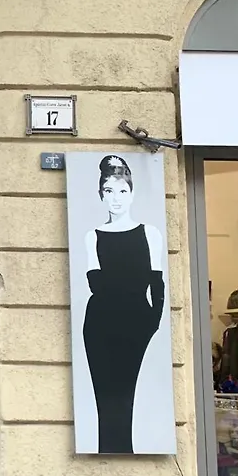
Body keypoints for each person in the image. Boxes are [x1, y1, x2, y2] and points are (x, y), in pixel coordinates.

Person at [82, 155, 165, 454]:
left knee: (129, 390)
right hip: (100, 324)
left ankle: (126, 450)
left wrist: (152, 322)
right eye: (109, 191)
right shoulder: (92, 236)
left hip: (137, 322)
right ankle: (109, 450)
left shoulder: (150, 233)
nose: (115, 198)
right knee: (105, 395)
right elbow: (96, 283)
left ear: (131, 193)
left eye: (122, 191)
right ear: (101, 194)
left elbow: (157, 283)